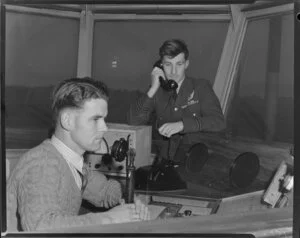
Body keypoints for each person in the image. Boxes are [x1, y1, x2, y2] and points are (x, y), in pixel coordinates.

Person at [6, 77, 150, 232]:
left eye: (104, 119)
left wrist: (131, 200)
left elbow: (105, 191)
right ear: (67, 121)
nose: (104, 128)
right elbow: (41, 227)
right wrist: (110, 219)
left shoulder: (74, 162)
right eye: (95, 119)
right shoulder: (42, 163)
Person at [128, 39, 225, 161]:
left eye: (179, 64)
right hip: (165, 163)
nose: (173, 71)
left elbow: (218, 122)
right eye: (168, 65)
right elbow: (134, 121)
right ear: (161, 66)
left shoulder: (201, 87)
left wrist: (182, 125)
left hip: (194, 162)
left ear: (186, 64)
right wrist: (153, 88)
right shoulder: (157, 91)